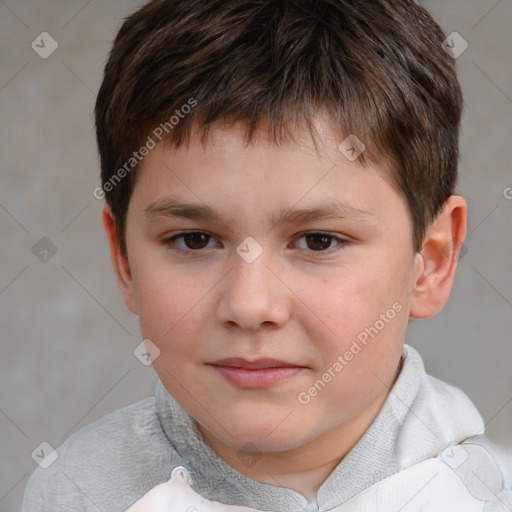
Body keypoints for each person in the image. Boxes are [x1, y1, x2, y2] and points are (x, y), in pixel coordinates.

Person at [23, 0, 512, 510]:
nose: (250, 305)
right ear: (124, 259)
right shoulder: (74, 492)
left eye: (318, 240)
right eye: (193, 240)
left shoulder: (485, 494)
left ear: (430, 262)